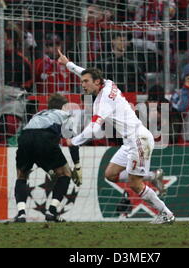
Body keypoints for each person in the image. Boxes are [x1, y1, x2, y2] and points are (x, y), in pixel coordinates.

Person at [58, 50, 173, 224]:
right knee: (110, 174)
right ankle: (151, 176)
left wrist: (74, 141)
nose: (83, 85)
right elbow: (85, 73)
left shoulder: (103, 102)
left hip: (138, 140)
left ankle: (166, 213)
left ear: (97, 82)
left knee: (135, 184)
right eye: (82, 82)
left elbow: (94, 130)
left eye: (86, 82)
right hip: (130, 141)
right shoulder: (108, 83)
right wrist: (68, 64)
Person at [14, 93, 82, 223]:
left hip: (25, 137)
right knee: (65, 174)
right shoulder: (65, 115)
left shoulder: (39, 114)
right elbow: (70, 143)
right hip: (45, 137)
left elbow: (34, 137)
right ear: (64, 106)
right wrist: (77, 165)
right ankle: (52, 211)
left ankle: (21, 214)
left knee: (22, 175)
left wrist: (48, 168)